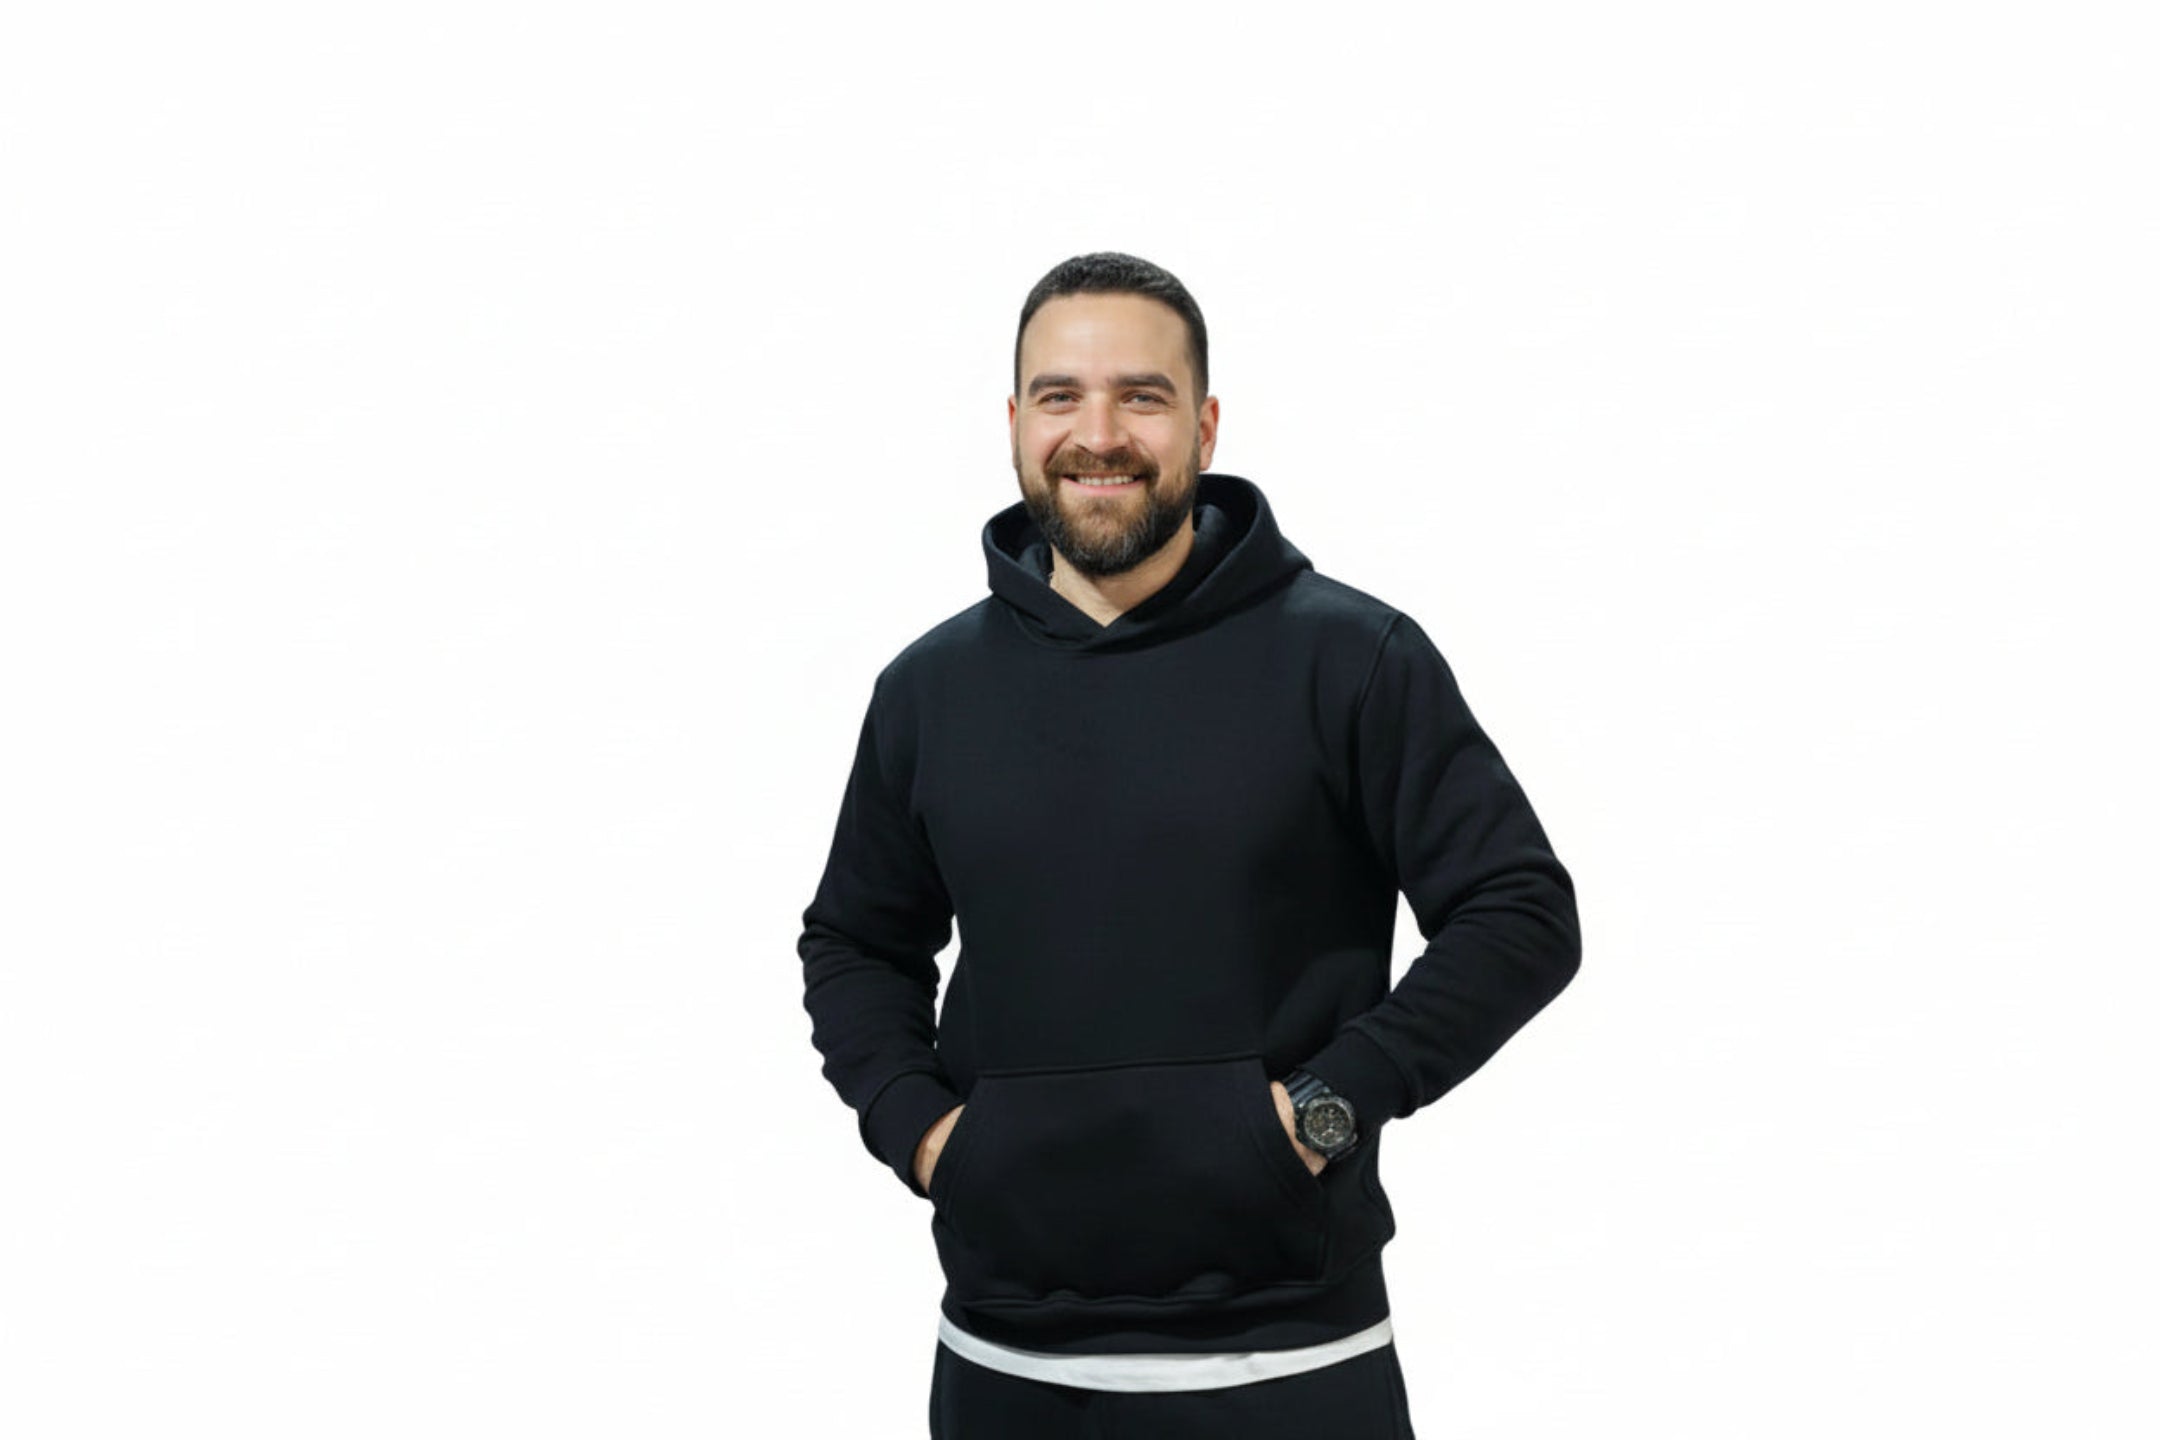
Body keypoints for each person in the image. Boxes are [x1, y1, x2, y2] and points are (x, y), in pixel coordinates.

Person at [797, 251, 1581, 1438]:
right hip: (1006, 1360)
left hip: (1296, 1363)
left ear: (1205, 425)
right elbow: (855, 941)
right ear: (1014, 423)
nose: (1097, 433)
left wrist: (1323, 1112)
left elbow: (1520, 913)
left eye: (1142, 397)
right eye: (1060, 396)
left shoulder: (1353, 660)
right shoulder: (927, 690)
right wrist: (927, 1136)